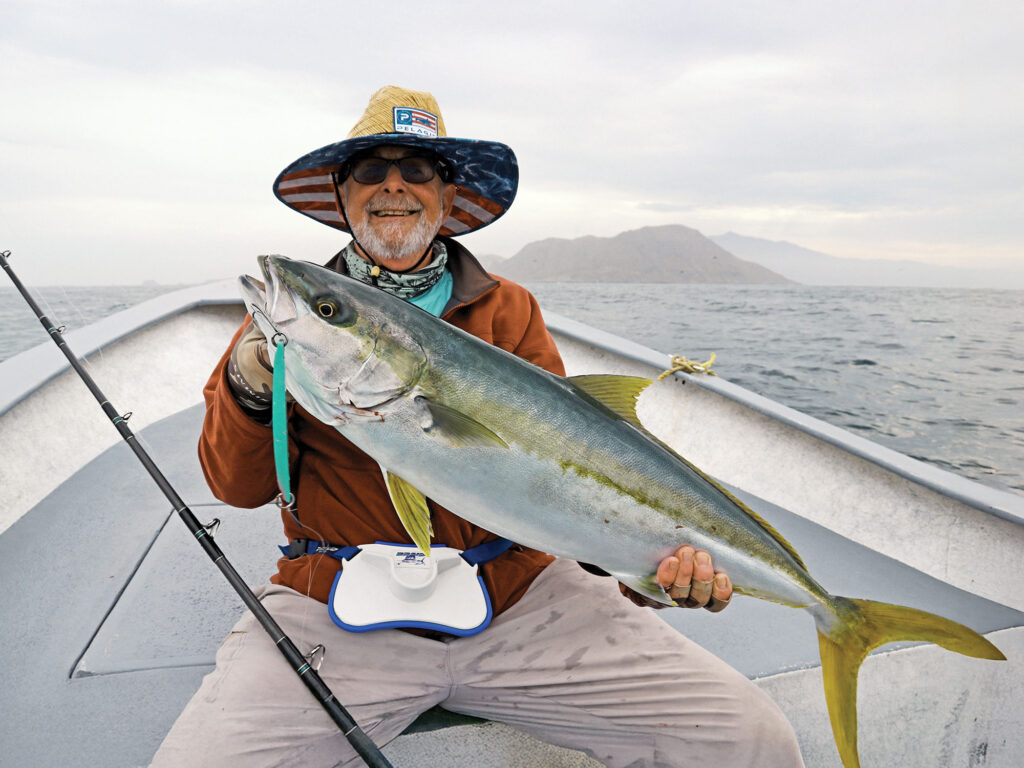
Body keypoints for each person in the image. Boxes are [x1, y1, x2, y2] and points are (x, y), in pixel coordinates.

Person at [150, 86, 804, 768]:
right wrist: (249, 386)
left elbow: (561, 476)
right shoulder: (298, 321)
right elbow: (235, 486)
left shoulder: (509, 309)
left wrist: (649, 567)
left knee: (748, 738)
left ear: (446, 195)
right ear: (343, 197)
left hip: (522, 597)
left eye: (418, 171)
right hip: (337, 603)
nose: (393, 186)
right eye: (370, 171)